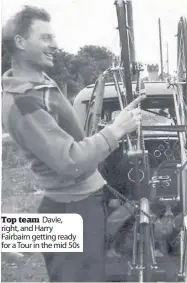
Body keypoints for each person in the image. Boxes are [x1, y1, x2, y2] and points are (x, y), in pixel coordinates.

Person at [2, 5, 146, 282]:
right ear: (20, 43)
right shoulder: (23, 101)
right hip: (71, 207)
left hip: (79, 202)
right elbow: (70, 160)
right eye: (45, 38)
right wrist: (116, 130)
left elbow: (68, 137)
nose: (55, 45)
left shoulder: (37, 84)